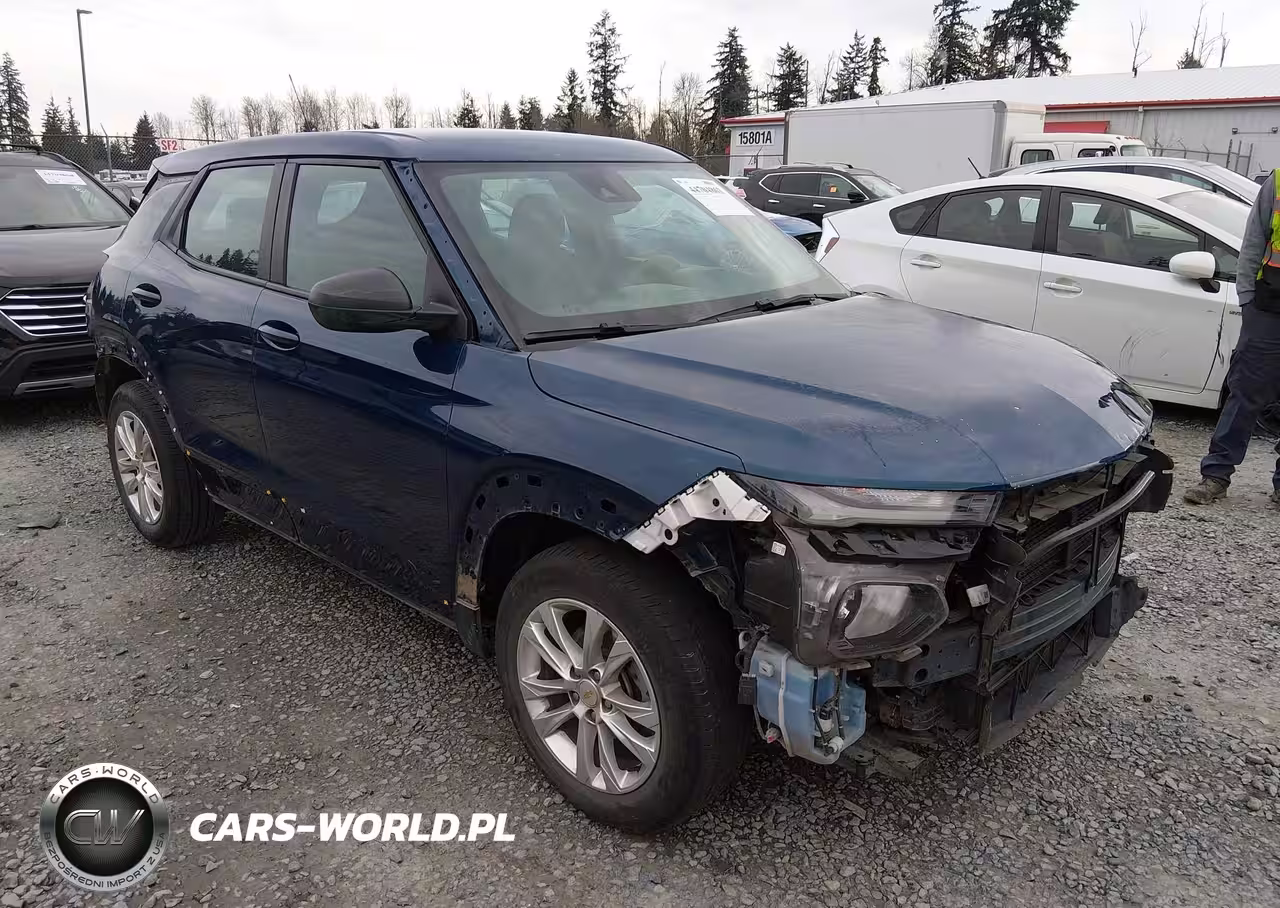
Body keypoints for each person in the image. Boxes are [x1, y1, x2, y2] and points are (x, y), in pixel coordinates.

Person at [1185, 169, 1280, 504]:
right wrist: (1247, 300)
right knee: (1245, 394)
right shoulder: (1278, 182)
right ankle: (1216, 475)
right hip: (1269, 309)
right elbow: (1254, 240)